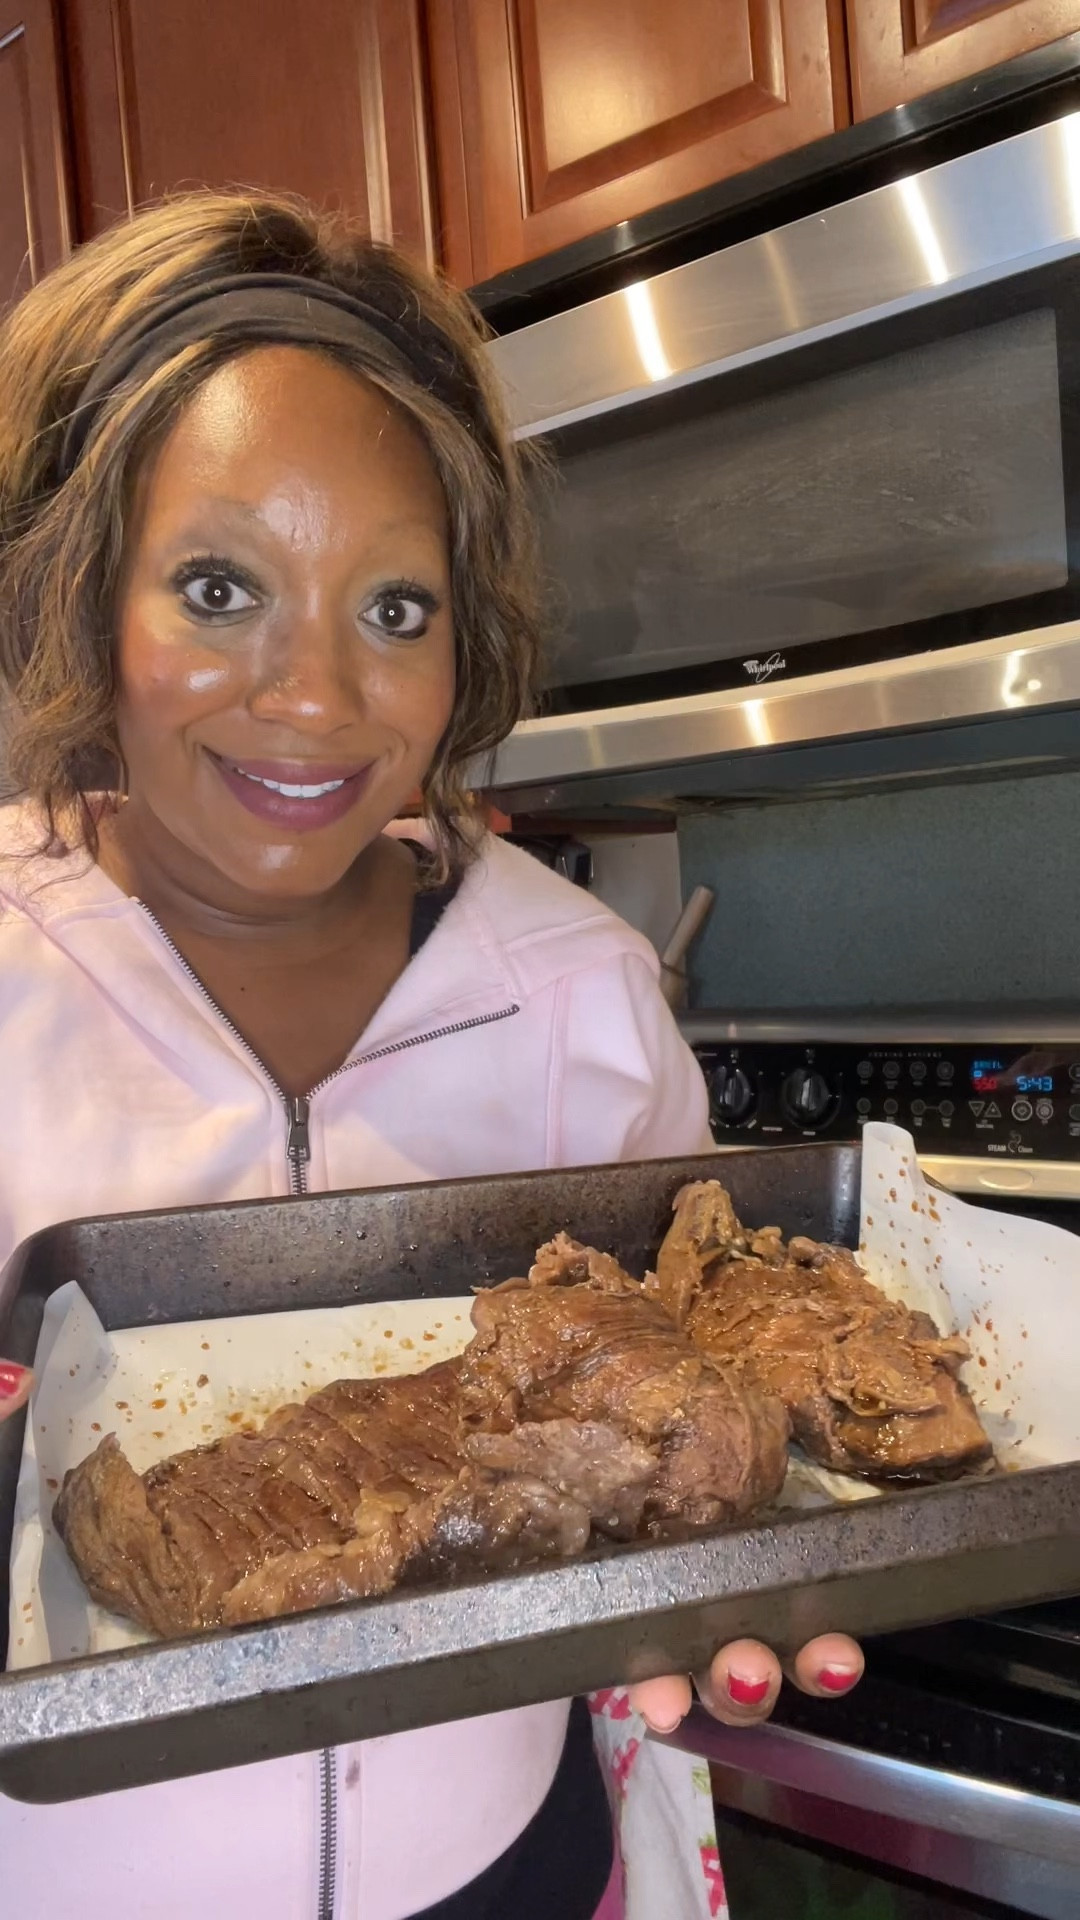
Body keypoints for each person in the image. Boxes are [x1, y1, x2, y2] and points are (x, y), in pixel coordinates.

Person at [0, 194, 862, 1920]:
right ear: (83, 593)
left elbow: (674, 1475)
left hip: (513, 1871)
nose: (317, 698)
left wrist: (737, 1558)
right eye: (221, 585)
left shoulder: (586, 1000)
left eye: (397, 608)